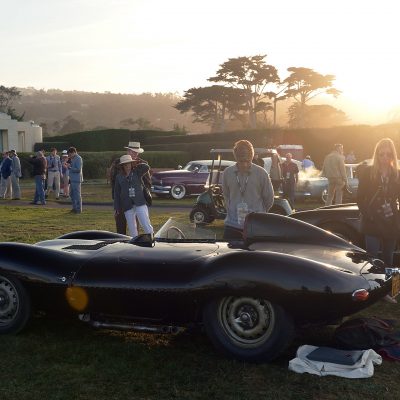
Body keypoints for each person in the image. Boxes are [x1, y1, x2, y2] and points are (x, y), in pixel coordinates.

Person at [357, 138, 400, 303]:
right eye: (382, 154)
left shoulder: (396, 173)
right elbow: (360, 198)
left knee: (390, 257)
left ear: (393, 155)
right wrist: (369, 215)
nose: (385, 157)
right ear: (377, 154)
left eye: (388, 154)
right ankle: (374, 291)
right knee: (372, 258)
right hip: (372, 220)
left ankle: (394, 290)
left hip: (391, 220)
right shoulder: (368, 172)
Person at [222, 140, 274, 240]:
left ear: (252, 156)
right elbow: (226, 195)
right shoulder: (227, 173)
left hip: (256, 226)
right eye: (241, 161)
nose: (244, 164)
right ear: (236, 157)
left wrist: (258, 214)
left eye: (247, 160)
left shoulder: (261, 173)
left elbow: (269, 199)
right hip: (232, 225)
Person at [110, 141, 151, 235]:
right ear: (128, 151)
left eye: (137, 152)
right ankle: (122, 241)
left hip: (138, 199)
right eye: (133, 152)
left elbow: (148, 182)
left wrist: (141, 193)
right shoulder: (117, 163)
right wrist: (116, 202)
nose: (135, 154)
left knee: (137, 222)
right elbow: (114, 183)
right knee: (120, 222)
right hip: (122, 198)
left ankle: (136, 239)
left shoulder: (142, 163)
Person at [67, 146, 83, 213]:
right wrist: (69, 166)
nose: (69, 156)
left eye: (70, 154)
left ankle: (78, 209)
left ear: (73, 152)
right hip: (72, 179)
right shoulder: (73, 158)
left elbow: (78, 169)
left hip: (76, 179)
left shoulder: (78, 158)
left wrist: (70, 167)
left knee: (77, 195)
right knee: (72, 194)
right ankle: (74, 208)